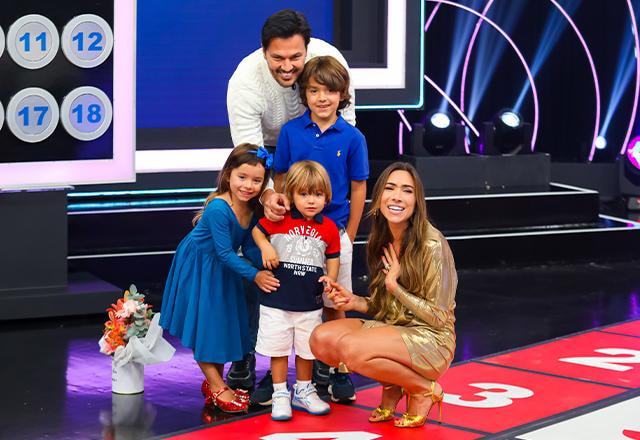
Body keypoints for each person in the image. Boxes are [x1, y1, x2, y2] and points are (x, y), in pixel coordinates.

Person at [225, 8, 356, 394]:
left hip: (315, 157)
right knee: (254, 256)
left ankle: (330, 364)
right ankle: (248, 358)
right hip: (265, 158)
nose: (287, 66)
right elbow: (248, 155)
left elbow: (346, 137)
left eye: (295, 58)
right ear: (263, 52)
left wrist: (343, 228)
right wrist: (269, 196)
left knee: (324, 273)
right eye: (277, 58)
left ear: (308, 50)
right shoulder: (245, 83)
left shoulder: (331, 65)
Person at [310, 162, 457, 429]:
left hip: (432, 340)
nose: (397, 196)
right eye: (390, 188)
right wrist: (355, 301)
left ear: (417, 201)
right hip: (396, 329)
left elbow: (439, 316)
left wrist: (396, 287)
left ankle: (423, 389)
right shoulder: (382, 237)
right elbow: (384, 306)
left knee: (353, 349)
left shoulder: (431, 244)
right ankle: (393, 385)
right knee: (321, 339)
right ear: (379, 197)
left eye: (407, 190)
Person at [258, 55, 368, 403]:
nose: (323, 98)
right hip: (292, 235)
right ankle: (282, 378)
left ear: (342, 95)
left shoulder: (352, 137)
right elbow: (280, 176)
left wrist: (348, 233)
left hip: (334, 232)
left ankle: (338, 369)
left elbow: (359, 187)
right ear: (304, 94)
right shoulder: (291, 132)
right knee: (290, 299)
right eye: (315, 90)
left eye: (331, 91)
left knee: (335, 300)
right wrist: (279, 213)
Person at [159, 144, 280, 413]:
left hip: (222, 268)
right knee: (207, 326)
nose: (248, 185)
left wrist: (271, 264)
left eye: (257, 180)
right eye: (242, 177)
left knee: (223, 326)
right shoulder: (218, 208)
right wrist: (256, 275)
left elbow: (248, 247)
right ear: (228, 175)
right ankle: (216, 385)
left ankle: (216, 382)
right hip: (200, 266)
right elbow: (225, 253)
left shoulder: (251, 210)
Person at [252, 160, 340, 421]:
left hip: (309, 302)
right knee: (278, 349)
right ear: (290, 195)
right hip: (276, 300)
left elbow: (333, 257)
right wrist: (266, 248)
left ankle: (303, 389)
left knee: (306, 349)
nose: (311, 200)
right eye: (303, 194)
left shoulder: (329, 228)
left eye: (317, 194)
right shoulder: (278, 219)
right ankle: (280, 392)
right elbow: (258, 232)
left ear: (326, 196)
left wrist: (330, 279)